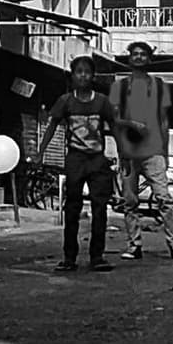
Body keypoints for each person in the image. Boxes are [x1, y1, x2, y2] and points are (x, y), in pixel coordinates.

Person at [106, 41, 173, 259]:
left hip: (154, 151)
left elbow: (164, 121)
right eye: (135, 54)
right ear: (129, 58)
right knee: (129, 202)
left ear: (149, 59)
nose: (139, 57)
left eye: (143, 54)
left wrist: (165, 152)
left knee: (164, 198)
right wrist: (122, 146)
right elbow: (113, 120)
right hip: (128, 152)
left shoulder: (159, 85)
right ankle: (134, 245)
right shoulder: (120, 87)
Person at [47, 57, 120, 270]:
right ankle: (69, 257)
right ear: (72, 75)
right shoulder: (65, 101)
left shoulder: (102, 102)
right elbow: (52, 126)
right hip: (75, 159)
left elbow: (114, 127)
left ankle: (97, 256)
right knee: (72, 208)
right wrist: (41, 152)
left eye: (87, 72)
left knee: (100, 208)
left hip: (97, 160)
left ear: (93, 76)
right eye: (79, 71)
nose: (83, 76)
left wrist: (122, 154)